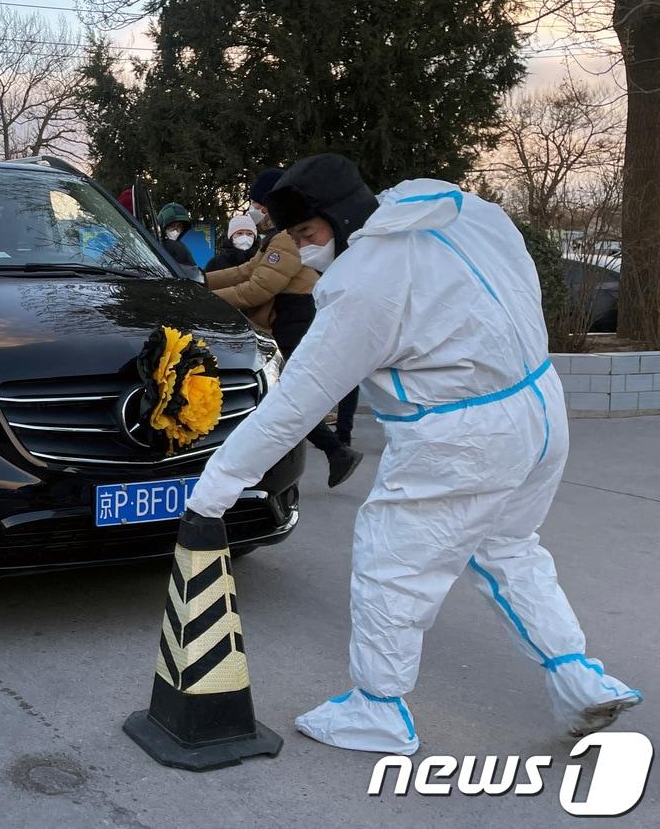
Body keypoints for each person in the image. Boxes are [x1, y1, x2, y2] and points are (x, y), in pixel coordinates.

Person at [185, 153, 640, 754]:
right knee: (509, 548)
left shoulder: (367, 282)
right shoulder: (458, 213)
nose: (307, 249)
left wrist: (213, 490)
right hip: (539, 406)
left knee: (391, 566)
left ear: (341, 218)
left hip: (461, 435)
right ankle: (577, 676)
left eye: (308, 234)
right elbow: (519, 277)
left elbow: (294, 402)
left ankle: (378, 710)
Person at [206, 171, 362, 487]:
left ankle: (335, 450)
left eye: (254, 202)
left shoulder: (286, 239)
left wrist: (205, 298)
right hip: (287, 317)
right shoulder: (276, 237)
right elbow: (246, 270)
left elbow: (257, 288)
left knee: (284, 394)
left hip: (294, 318)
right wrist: (200, 280)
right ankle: (334, 450)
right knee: (284, 393)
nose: (252, 208)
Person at [156, 203, 196, 267]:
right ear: (162, 226)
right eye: (173, 226)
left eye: (180, 227)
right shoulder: (152, 245)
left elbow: (193, 272)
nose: (176, 230)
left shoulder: (181, 248)